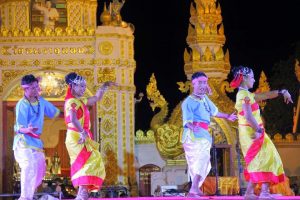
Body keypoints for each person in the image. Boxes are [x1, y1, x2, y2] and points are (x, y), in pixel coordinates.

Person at [230, 66, 293, 200]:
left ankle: (249, 193)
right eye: (252, 77)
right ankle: (264, 192)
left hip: (254, 132)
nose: (254, 80)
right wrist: (258, 130)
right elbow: (247, 115)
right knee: (266, 157)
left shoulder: (247, 95)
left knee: (260, 160)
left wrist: (283, 91)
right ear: (245, 78)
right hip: (253, 133)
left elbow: (266, 95)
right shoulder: (244, 95)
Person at [181, 71, 237, 197]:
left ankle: (195, 188)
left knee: (204, 162)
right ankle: (194, 188)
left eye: (205, 82)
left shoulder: (205, 99)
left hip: (204, 134)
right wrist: (192, 126)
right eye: (200, 82)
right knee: (200, 160)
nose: (203, 85)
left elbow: (215, 112)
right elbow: (186, 121)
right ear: (193, 83)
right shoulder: (188, 102)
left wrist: (228, 116)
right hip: (193, 135)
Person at [64, 72, 116, 200]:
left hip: (82, 135)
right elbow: (73, 119)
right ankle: (81, 196)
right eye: (80, 86)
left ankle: (83, 196)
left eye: (84, 86)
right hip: (76, 136)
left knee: (93, 161)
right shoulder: (71, 101)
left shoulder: (80, 100)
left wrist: (105, 86)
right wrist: (82, 132)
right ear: (72, 86)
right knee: (87, 163)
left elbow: (96, 98)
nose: (83, 89)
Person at [14, 74, 60, 200]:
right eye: (32, 88)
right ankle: (25, 197)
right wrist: (27, 129)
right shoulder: (22, 104)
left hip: (36, 142)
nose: (36, 90)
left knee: (39, 169)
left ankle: (30, 195)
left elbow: (55, 112)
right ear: (25, 89)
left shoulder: (41, 101)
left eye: (36, 87)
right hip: (23, 141)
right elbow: (19, 127)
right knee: (29, 165)